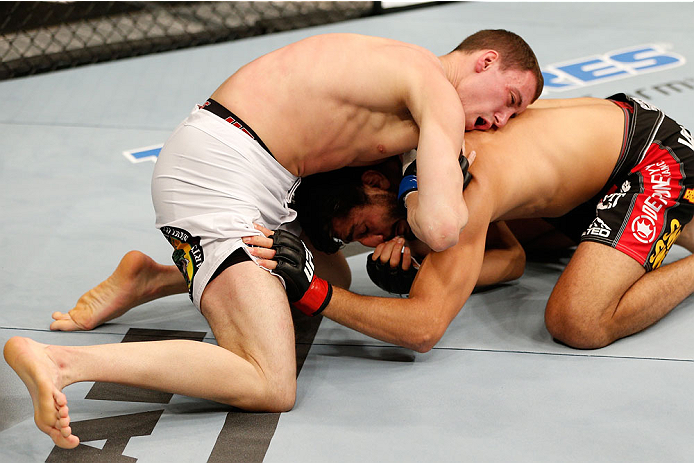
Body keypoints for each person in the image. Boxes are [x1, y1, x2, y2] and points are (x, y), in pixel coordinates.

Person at [3, 30, 543, 449]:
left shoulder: (407, 68)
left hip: (248, 172)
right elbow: (443, 227)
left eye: (513, 115)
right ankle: (62, 363)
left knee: (328, 273)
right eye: (509, 100)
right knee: (269, 381)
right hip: (219, 176)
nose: (499, 120)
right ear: (485, 61)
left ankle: (153, 277)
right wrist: (430, 180)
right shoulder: (435, 94)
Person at [244, 93, 694, 353]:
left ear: (374, 181)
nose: (376, 241)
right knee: (506, 246)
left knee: (576, 321)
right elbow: (513, 260)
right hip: (589, 178)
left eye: (363, 230)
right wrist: (419, 271)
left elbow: (422, 328)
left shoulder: (454, 188)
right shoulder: (409, 157)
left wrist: (314, 292)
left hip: (649, 157)